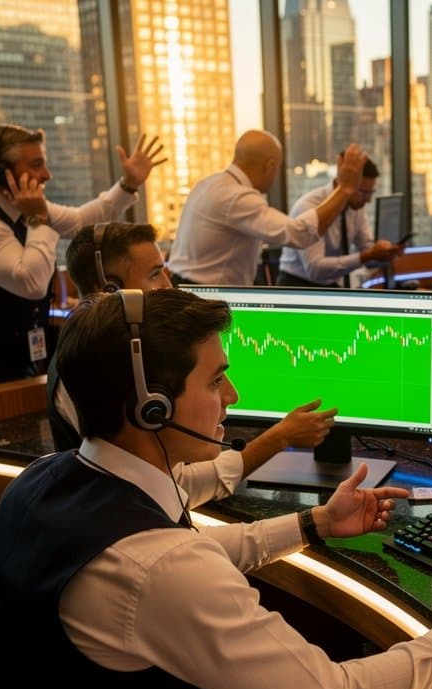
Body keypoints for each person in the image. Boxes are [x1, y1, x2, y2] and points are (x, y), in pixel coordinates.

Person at [0, 288, 432, 689]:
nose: (234, 395)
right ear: (151, 408)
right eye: (215, 379)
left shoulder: (44, 480)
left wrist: (315, 524)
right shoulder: (157, 569)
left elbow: (193, 548)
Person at [51, 222, 335, 504]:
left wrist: (312, 523)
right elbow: (181, 486)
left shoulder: (110, 350)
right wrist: (278, 439)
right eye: (153, 274)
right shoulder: (104, 365)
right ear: (153, 408)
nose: (167, 284)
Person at [0, 123, 166, 395]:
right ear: (0, 173)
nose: (46, 175)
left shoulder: (23, 207)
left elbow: (81, 221)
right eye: (36, 165)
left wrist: (127, 185)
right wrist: (38, 218)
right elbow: (32, 282)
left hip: (6, 358)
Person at [169, 131, 367, 285]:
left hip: (185, 289)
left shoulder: (209, 184)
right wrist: (345, 189)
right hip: (203, 299)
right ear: (270, 166)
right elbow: (299, 234)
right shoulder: (237, 197)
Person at [277, 157, 401, 286]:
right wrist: (367, 255)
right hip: (299, 288)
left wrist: (385, 254)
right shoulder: (309, 206)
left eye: (370, 193)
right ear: (346, 182)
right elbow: (315, 269)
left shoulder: (355, 207)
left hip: (331, 285)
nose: (368, 200)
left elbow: (368, 251)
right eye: (363, 193)